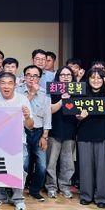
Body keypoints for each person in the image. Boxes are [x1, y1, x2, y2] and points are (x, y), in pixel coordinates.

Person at [0, 72, 34, 210]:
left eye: (9, 83)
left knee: (18, 170)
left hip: (17, 141)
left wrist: (27, 117)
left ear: (15, 85)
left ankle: (18, 199)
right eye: (3, 83)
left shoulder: (22, 99)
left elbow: (30, 126)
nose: (6, 86)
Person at [76, 68, 105, 208]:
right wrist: (79, 116)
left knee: (102, 168)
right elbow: (75, 111)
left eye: (99, 78)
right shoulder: (82, 91)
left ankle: (102, 198)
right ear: (88, 79)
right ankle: (86, 196)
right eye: (92, 77)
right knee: (85, 166)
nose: (96, 80)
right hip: (85, 133)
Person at [45, 66, 77, 199]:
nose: (65, 77)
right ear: (58, 77)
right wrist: (62, 100)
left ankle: (65, 186)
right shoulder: (52, 90)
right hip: (54, 129)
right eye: (62, 75)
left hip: (71, 130)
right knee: (51, 161)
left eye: (68, 75)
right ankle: (51, 186)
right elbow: (49, 110)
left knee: (68, 162)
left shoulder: (77, 90)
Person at [21, 65, 52, 201]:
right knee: (24, 163)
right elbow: (18, 108)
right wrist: (32, 93)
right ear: (24, 77)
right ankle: (19, 189)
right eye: (28, 75)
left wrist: (45, 136)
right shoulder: (18, 91)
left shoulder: (45, 93)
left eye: (35, 76)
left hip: (39, 132)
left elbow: (47, 116)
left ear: (39, 78)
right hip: (22, 131)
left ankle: (35, 190)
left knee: (42, 165)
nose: (31, 78)